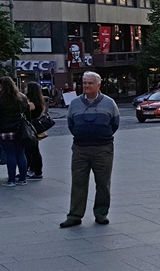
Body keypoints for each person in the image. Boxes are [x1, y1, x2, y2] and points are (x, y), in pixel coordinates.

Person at [61, 71, 119, 228]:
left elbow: (114, 124)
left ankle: (101, 214)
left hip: (103, 148)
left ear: (98, 85)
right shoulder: (75, 103)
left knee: (103, 182)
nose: (86, 85)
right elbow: (71, 124)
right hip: (80, 148)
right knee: (78, 182)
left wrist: (100, 136)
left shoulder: (109, 103)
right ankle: (74, 215)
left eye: (90, 83)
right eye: (84, 83)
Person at [0, 77, 30, 187]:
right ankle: (22, 179)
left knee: (10, 154)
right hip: (20, 130)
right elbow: (27, 114)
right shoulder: (21, 98)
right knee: (20, 153)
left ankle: (11, 180)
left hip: (4, 130)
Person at [24, 82, 46, 180]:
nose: (24, 89)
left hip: (31, 129)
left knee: (33, 151)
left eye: (26, 87)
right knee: (33, 150)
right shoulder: (38, 101)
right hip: (33, 129)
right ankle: (33, 170)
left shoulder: (31, 103)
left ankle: (35, 171)